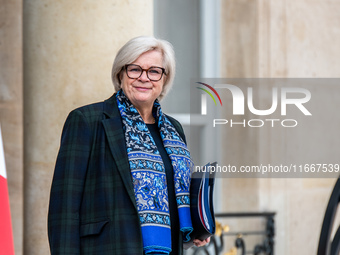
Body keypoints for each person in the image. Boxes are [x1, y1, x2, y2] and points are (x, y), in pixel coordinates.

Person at [48, 36, 210, 255]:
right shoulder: (87, 121)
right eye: (135, 69)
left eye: (154, 71)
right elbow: (64, 211)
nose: (144, 78)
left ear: (164, 78)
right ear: (120, 74)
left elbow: (175, 191)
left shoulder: (174, 129)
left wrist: (197, 223)